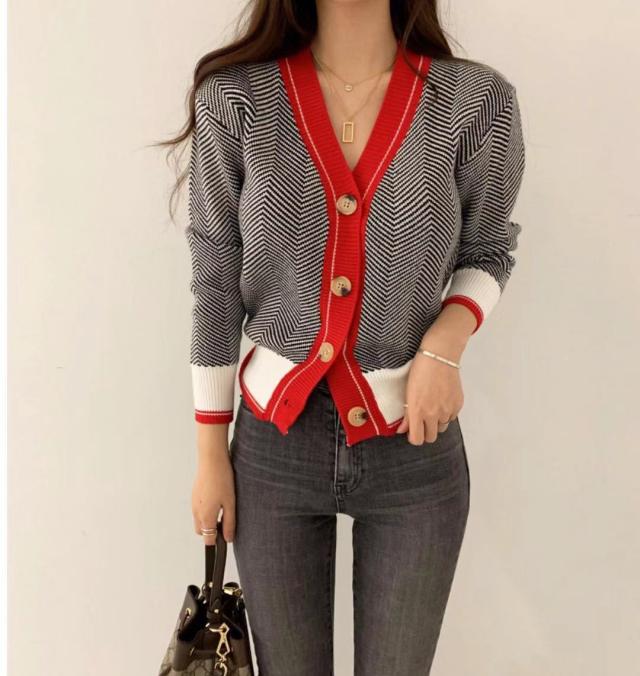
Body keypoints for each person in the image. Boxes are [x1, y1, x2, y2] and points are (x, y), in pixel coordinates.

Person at [162, 1, 525, 673]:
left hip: (414, 446)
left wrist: (443, 347)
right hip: (273, 447)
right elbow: (214, 282)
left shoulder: (474, 103)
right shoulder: (237, 101)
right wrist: (210, 454)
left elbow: (489, 250)